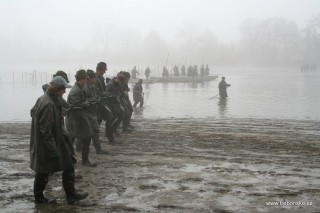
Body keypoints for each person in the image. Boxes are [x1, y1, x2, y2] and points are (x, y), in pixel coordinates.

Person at [30, 76, 88, 204]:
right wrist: (54, 151)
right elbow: (46, 131)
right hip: (49, 144)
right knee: (45, 170)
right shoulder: (48, 104)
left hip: (52, 141)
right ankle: (41, 198)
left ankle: (69, 195)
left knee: (61, 166)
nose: (65, 92)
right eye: (63, 89)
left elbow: (33, 112)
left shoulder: (46, 99)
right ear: (56, 89)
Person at [66, 70, 96, 167]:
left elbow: (81, 101)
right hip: (76, 118)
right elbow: (74, 105)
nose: (86, 81)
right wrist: (85, 104)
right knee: (84, 138)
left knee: (74, 139)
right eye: (85, 79)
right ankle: (83, 161)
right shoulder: (75, 90)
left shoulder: (80, 88)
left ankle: (73, 160)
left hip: (79, 117)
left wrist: (87, 102)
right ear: (81, 79)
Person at [84, 70, 108, 154]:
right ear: (89, 79)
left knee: (91, 131)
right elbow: (84, 100)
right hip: (89, 113)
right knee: (94, 130)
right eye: (94, 78)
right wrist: (94, 100)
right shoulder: (86, 88)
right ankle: (98, 149)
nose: (95, 79)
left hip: (93, 112)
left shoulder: (92, 86)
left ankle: (80, 147)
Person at [95, 62, 115, 144]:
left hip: (102, 103)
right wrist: (105, 94)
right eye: (103, 70)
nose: (104, 72)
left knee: (109, 119)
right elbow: (97, 92)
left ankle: (110, 138)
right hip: (98, 104)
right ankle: (105, 139)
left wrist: (106, 94)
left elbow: (102, 90)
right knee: (98, 122)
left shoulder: (101, 78)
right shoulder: (95, 79)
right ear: (99, 69)